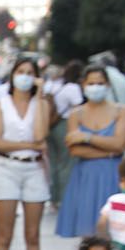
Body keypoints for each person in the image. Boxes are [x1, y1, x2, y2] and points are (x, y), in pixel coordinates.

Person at [0, 55, 51, 250]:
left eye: (30, 72)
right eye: (20, 71)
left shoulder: (42, 105)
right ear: (13, 75)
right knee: (5, 235)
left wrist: (38, 95)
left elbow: (40, 136)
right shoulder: (1, 104)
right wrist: (28, 145)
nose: (25, 76)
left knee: (32, 235)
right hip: (7, 169)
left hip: (34, 169)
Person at [57, 65, 125, 241]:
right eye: (91, 83)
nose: (96, 87)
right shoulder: (76, 114)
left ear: (107, 85)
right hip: (85, 177)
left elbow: (119, 144)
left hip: (113, 175)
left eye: (100, 83)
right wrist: (109, 151)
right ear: (83, 85)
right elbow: (75, 150)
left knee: (117, 233)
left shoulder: (121, 111)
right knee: (88, 238)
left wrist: (86, 137)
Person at [47, 59, 85, 208]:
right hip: (66, 124)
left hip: (51, 125)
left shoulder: (54, 86)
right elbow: (78, 109)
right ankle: (64, 198)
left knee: (53, 163)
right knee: (66, 163)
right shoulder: (73, 88)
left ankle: (53, 198)